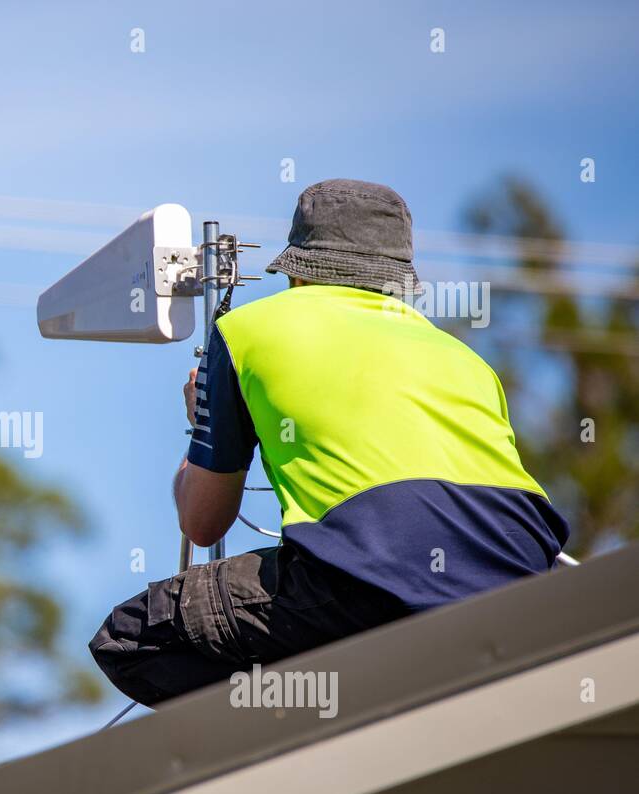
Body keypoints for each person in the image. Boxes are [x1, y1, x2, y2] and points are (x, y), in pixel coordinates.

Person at [90, 178, 569, 707]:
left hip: (369, 573)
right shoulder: (465, 359)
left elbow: (202, 523)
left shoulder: (248, 330)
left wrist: (199, 423)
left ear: (297, 270)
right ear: (396, 281)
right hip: (525, 583)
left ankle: (312, 737)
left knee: (134, 637)